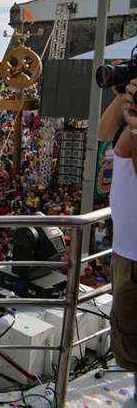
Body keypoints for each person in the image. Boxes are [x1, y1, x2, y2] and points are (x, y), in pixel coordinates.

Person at [103, 76, 137, 385]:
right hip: (126, 250)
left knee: (131, 341)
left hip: (132, 255)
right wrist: (120, 98)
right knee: (128, 334)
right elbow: (101, 132)